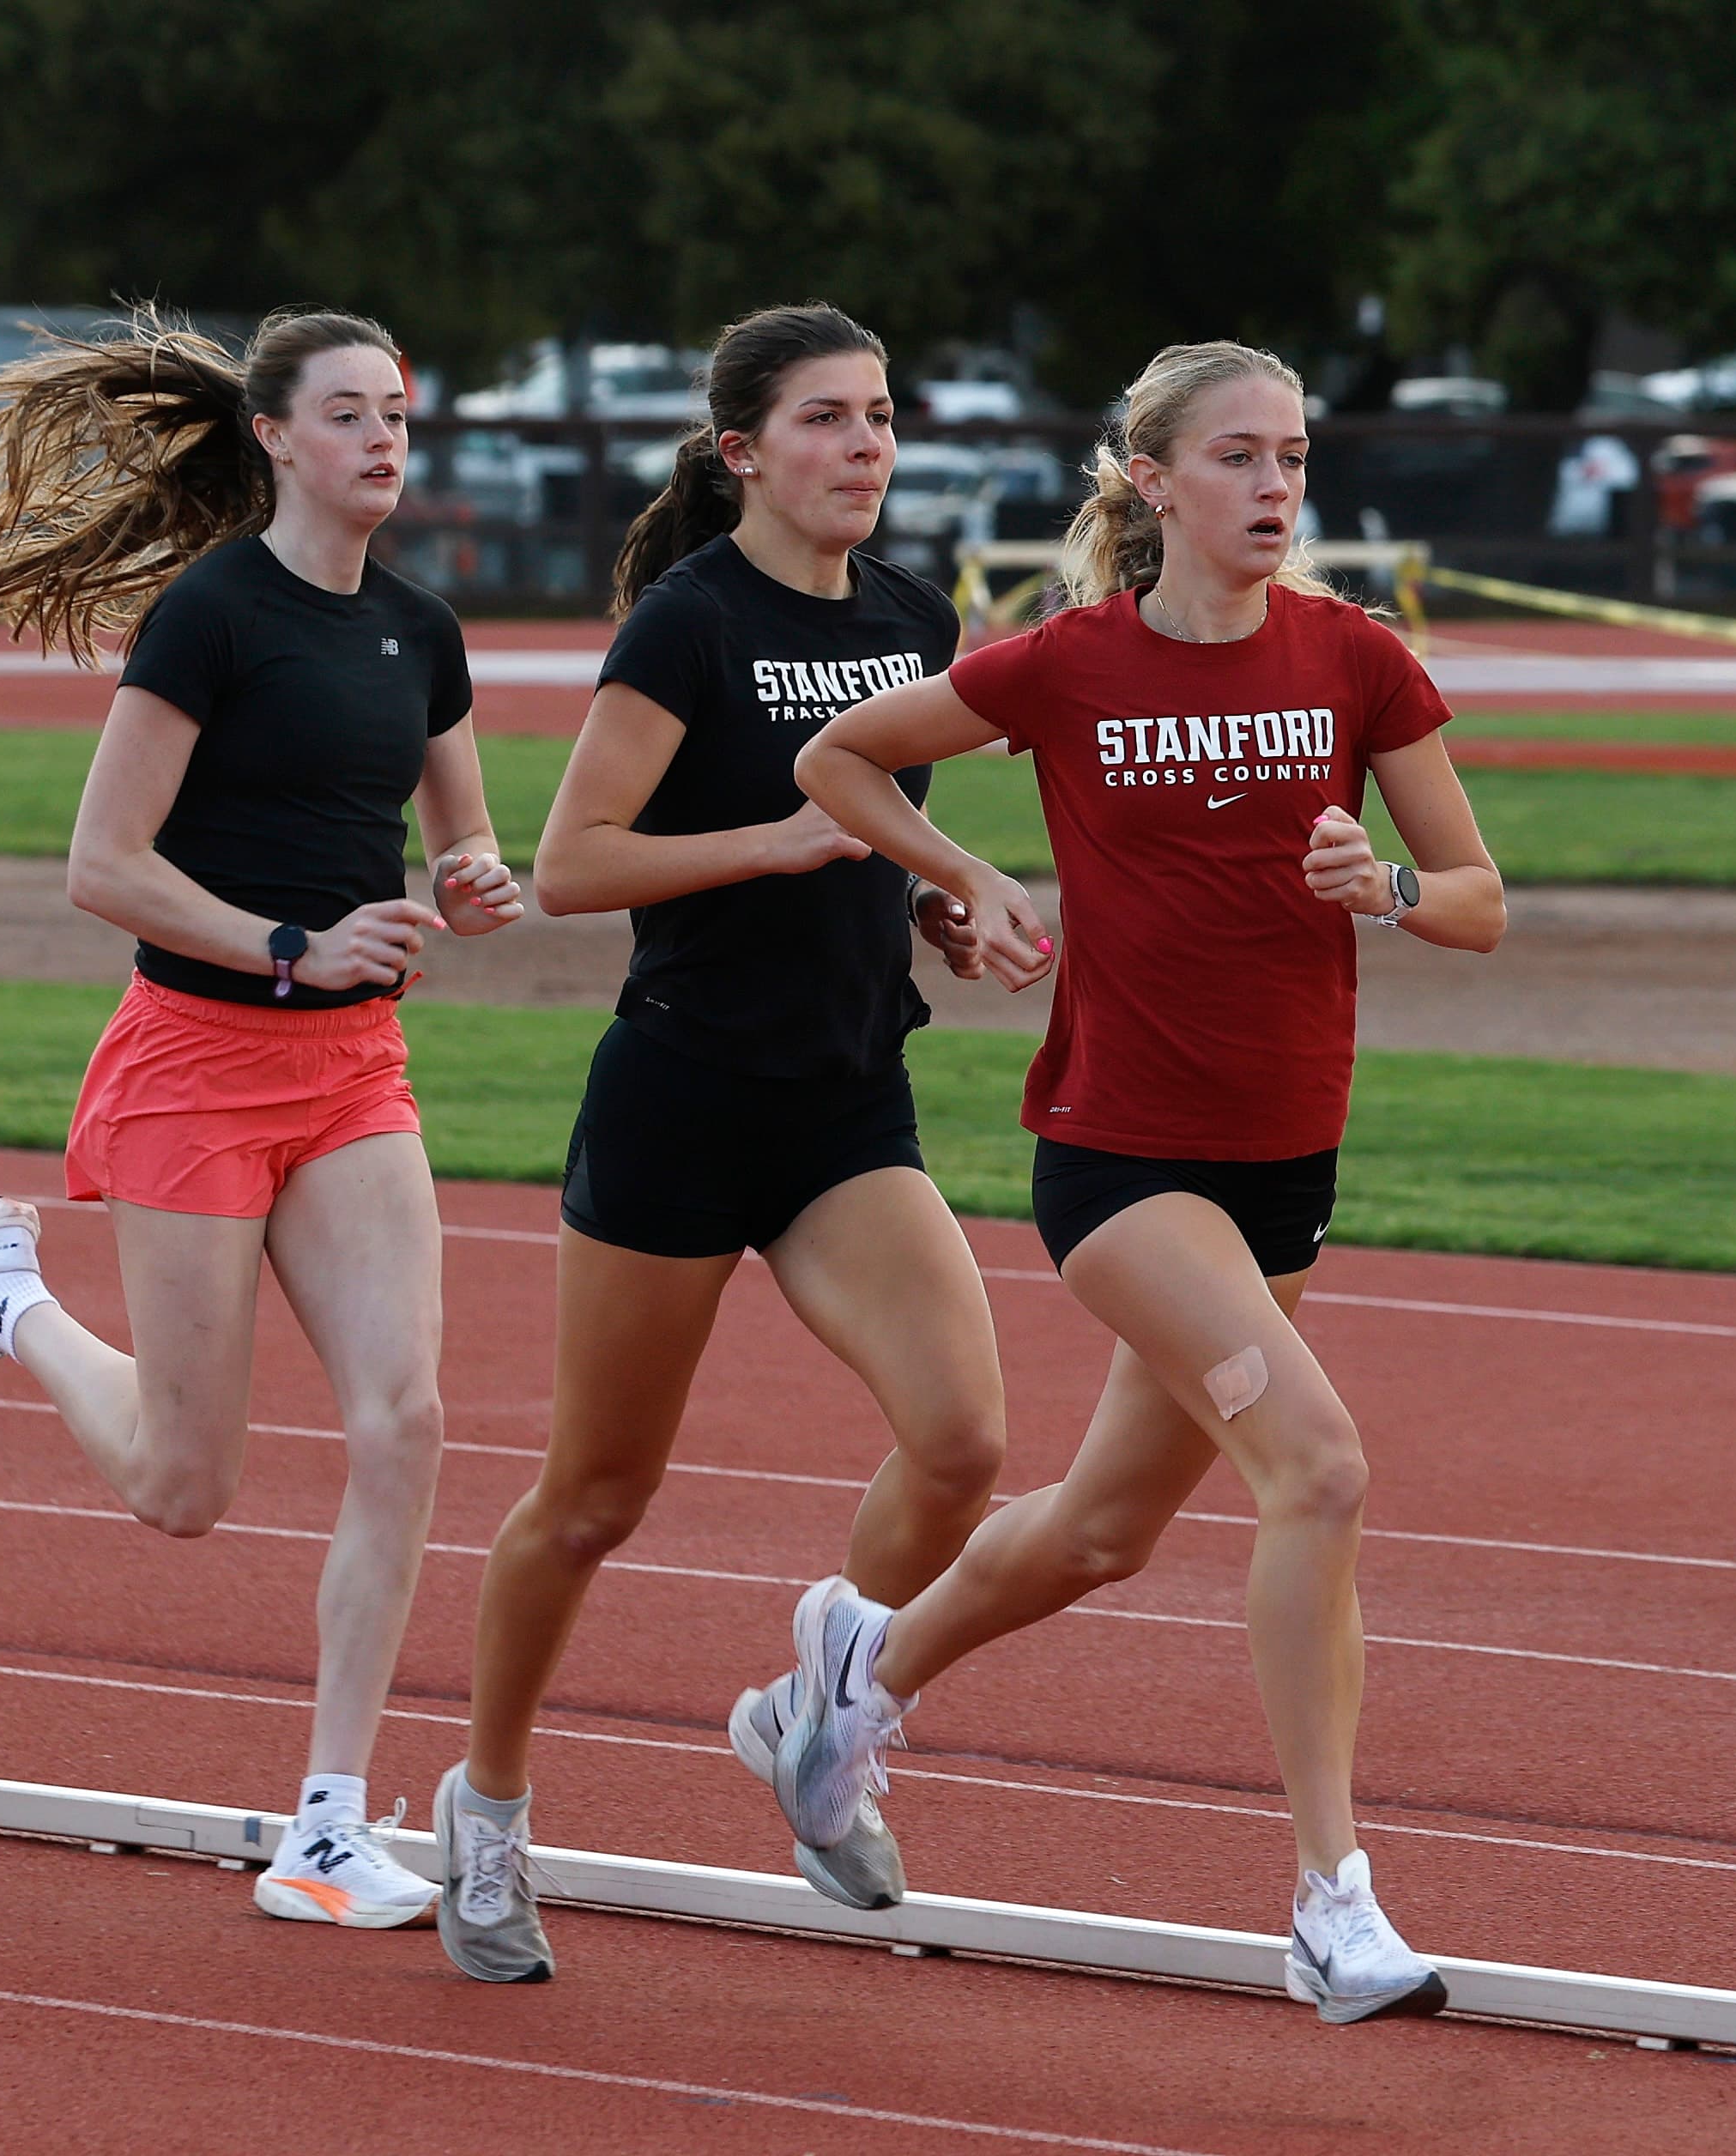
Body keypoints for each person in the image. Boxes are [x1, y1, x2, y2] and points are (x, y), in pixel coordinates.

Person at [771, 340, 1505, 2025]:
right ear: (1153, 479)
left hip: (1281, 1163)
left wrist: (1378, 879)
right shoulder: (1065, 666)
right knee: (1314, 1468)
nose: (1273, 487)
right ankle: (1331, 1899)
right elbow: (836, 761)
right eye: (1237, 456)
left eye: (1294, 457)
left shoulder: (1354, 662)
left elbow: (1476, 898)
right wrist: (966, 872)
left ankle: (856, 1670)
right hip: (1117, 1158)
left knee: (1103, 1526)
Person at [0, 309, 526, 1930]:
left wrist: (474, 884)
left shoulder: (421, 630)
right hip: (197, 1061)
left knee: (410, 1423)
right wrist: (292, 945)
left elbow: (461, 841)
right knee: (184, 1486)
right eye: (352, 414)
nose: (386, 440)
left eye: (400, 412)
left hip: (352, 1072)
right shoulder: (211, 615)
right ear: (278, 439)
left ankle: (325, 1821)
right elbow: (104, 868)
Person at [427, 303, 1007, 1984]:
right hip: (683, 1100)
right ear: (745, 450)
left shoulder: (914, 612)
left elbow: (892, 821)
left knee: (962, 1439)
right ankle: (486, 1804)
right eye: (828, 419)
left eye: (883, 416)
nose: (867, 447)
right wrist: (771, 841)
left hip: (843, 1100)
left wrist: (934, 899)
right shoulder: (687, 625)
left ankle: (813, 1715)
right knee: (594, 1493)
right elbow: (577, 863)